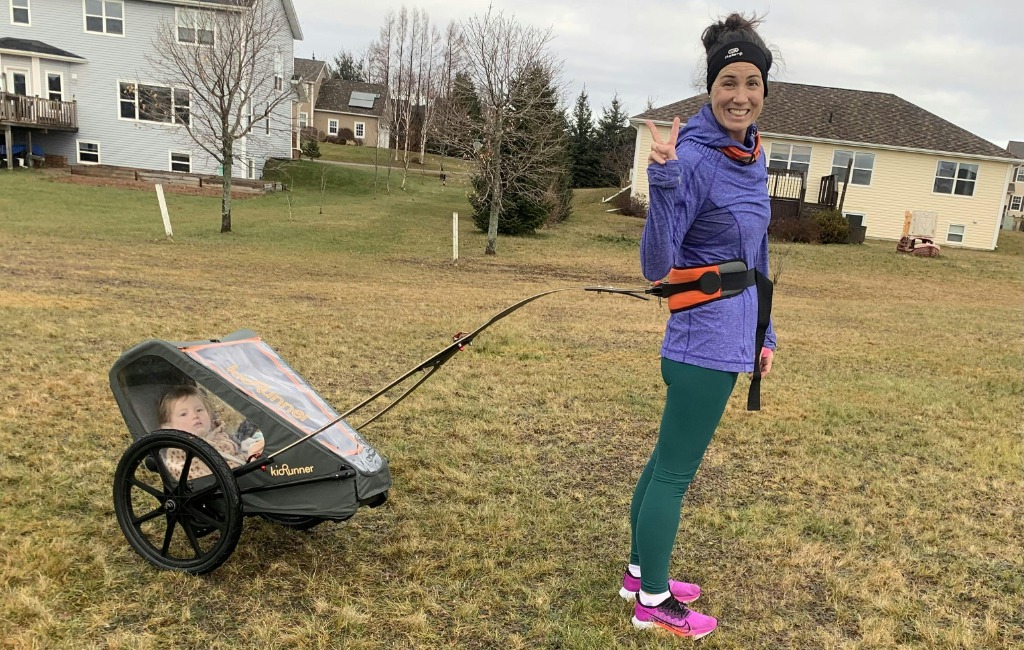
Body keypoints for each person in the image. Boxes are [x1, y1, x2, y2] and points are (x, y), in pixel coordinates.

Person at [621, 12, 777, 639]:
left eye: (751, 83)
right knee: (675, 473)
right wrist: (662, 182)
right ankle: (654, 604)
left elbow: (759, 257)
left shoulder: (750, 155)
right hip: (701, 343)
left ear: (764, 90)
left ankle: (639, 573)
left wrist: (765, 335)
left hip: (734, 333)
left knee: (663, 463)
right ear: (711, 88)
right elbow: (657, 264)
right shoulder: (694, 157)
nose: (740, 95)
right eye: (727, 83)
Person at [157, 385, 265, 479]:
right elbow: (205, 481)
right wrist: (251, 462)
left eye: (199, 410)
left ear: (209, 415)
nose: (195, 416)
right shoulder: (180, 453)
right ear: (168, 427)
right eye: (184, 414)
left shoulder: (220, 435)